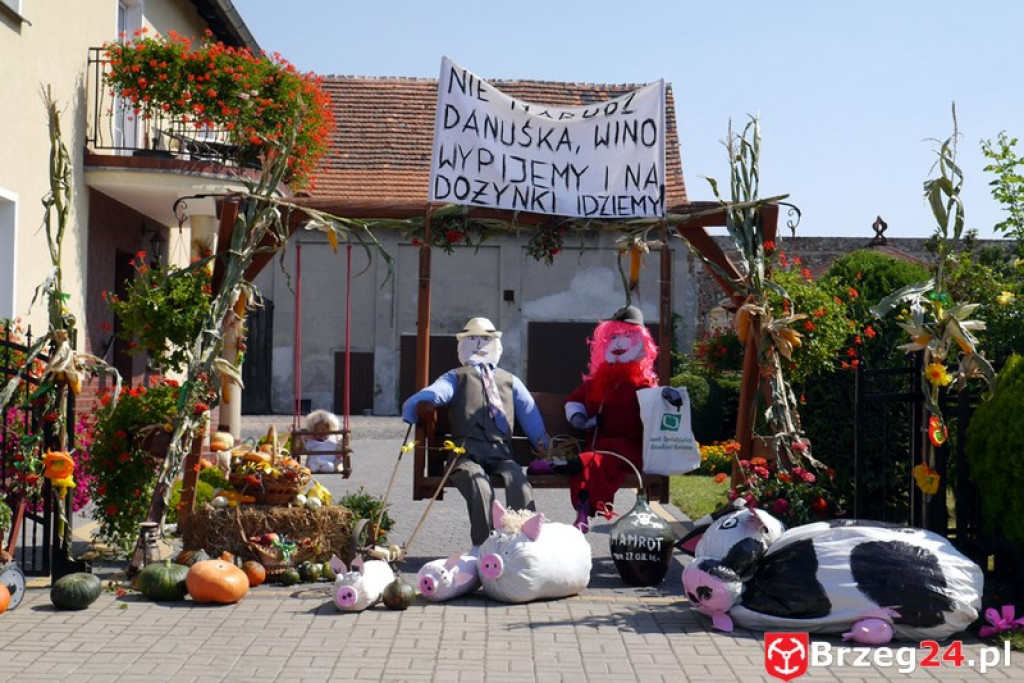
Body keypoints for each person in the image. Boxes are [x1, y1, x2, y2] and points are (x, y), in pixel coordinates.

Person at [402, 317, 550, 549]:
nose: (479, 345)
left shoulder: (510, 381)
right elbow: (436, 392)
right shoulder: (456, 377)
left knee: (519, 482)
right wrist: (415, 406)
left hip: (502, 453)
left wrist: (546, 449)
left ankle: (522, 543)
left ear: (496, 344)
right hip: (465, 454)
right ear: (463, 344)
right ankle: (484, 545)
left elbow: (530, 414)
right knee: (478, 484)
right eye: (473, 339)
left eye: (485, 339)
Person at [530, 305, 661, 533]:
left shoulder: (643, 385)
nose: (619, 343)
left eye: (627, 337)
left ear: (641, 343)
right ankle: (582, 514)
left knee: (597, 460)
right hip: (598, 450)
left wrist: (668, 397)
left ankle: (563, 467)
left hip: (628, 451)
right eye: (614, 337)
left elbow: (657, 404)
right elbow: (575, 401)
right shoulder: (598, 381)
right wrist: (580, 419)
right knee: (594, 464)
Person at [301, 409, 347, 474]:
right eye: (316, 430)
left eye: (323, 429)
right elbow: (304, 448)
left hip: (328, 462)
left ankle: (330, 466)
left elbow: (339, 451)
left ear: (329, 429)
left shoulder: (333, 439)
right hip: (314, 462)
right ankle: (314, 467)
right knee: (312, 467)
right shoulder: (311, 440)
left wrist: (338, 463)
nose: (320, 433)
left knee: (329, 467)